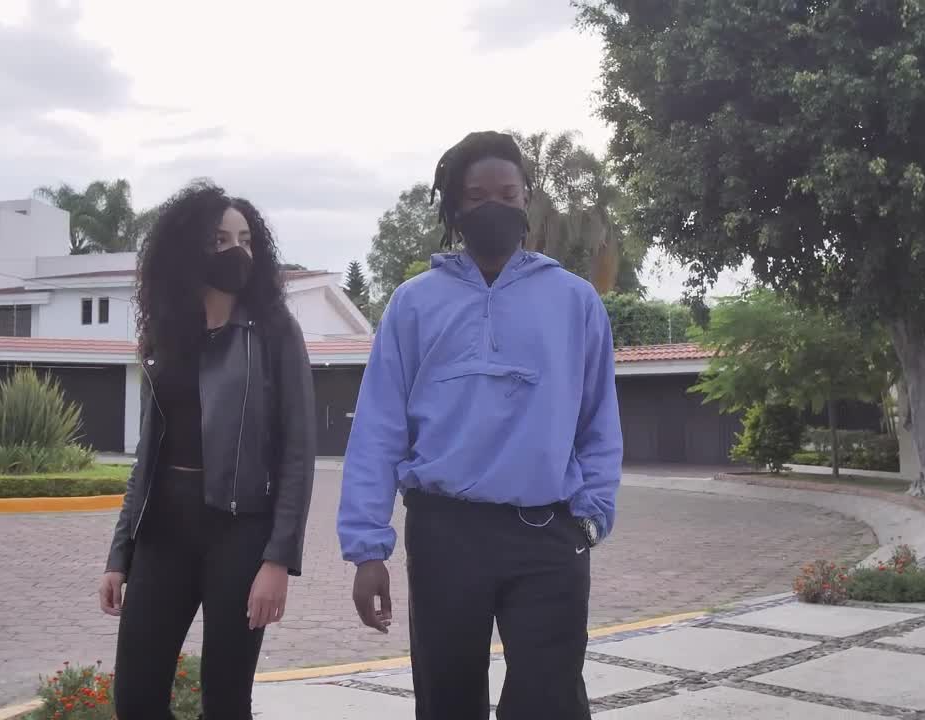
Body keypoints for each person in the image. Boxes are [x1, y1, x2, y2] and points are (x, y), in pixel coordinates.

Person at [337, 131, 623, 720]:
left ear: (526, 202)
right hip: (446, 535)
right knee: (446, 700)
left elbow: (598, 420)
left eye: (508, 193)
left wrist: (592, 516)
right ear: (454, 209)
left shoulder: (575, 301)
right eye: (476, 195)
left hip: (548, 534)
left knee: (550, 701)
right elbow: (378, 430)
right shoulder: (413, 304)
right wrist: (368, 549)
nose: (494, 206)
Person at [99, 181, 315, 719]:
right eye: (219, 239)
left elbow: (298, 451)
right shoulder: (167, 332)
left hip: (241, 535)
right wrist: (120, 552)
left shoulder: (274, 332)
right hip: (164, 530)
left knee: (224, 702)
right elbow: (147, 452)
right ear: (189, 248)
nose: (234, 251)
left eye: (244, 239)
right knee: (136, 699)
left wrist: (278, 559)